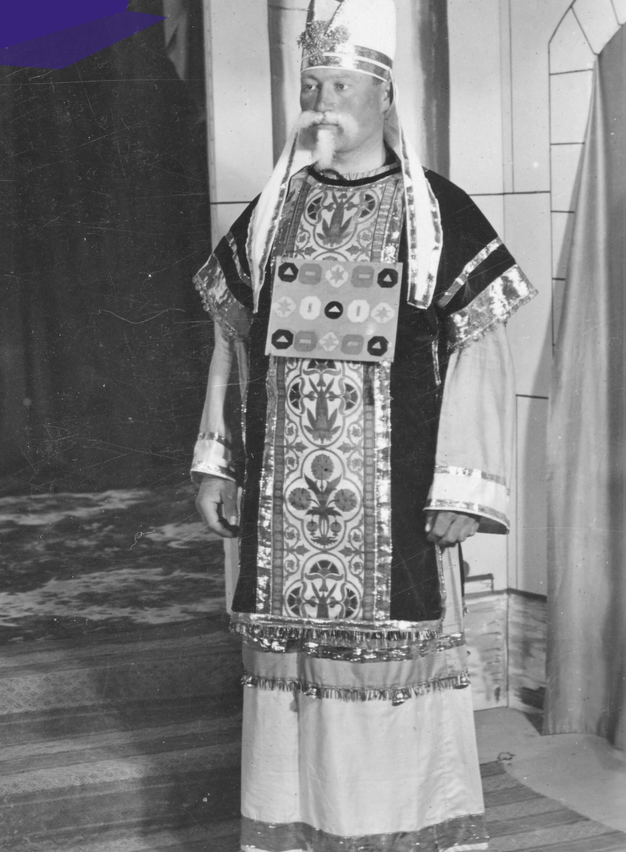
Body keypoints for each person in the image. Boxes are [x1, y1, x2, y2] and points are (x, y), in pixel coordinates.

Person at [192, 1, 536, 850]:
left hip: (396, 509)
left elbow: (479, 354)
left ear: (385, 99)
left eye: (339, 85)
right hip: (284, 518)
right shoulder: (273, 215)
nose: (321, 103)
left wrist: (463, 483)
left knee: (392, 676)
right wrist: (215, 461)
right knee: (293, 683)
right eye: (311, 86)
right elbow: (232, 341)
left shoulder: (437, 216)